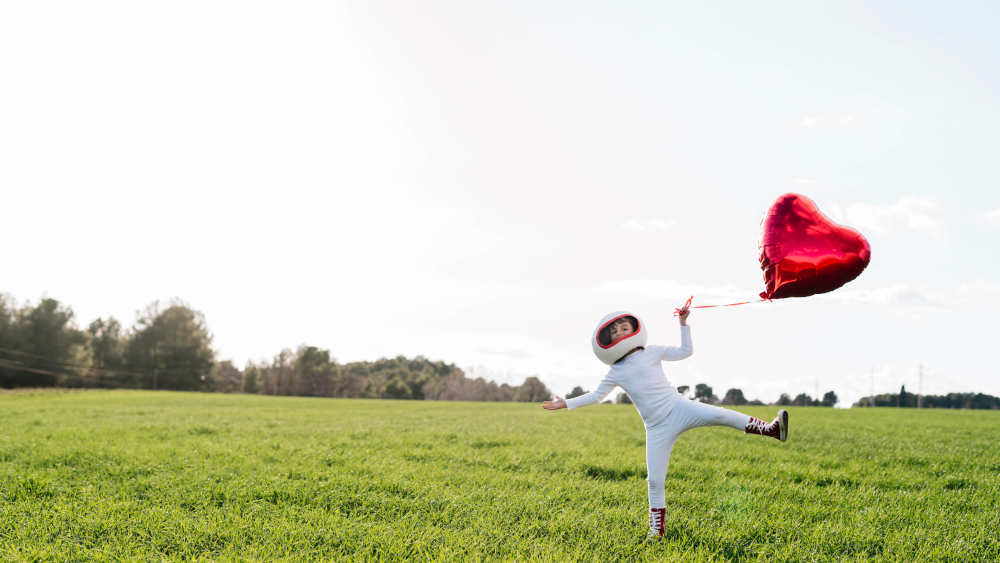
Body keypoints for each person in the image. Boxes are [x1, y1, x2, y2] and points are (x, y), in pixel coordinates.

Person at [542, 305, 788, 541]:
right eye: (614, 332)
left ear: (634, 329)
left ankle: (771, 429)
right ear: (606, 341)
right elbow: (596, 396)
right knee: (655, 480)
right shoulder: (615, 371)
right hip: (657, 428)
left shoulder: (652, 351)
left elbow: (685, 351)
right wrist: (566, 403)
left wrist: (683, 324)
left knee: (721, 415)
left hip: (680, 408)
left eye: (624, 328)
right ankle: (656, 531)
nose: (619, 333)